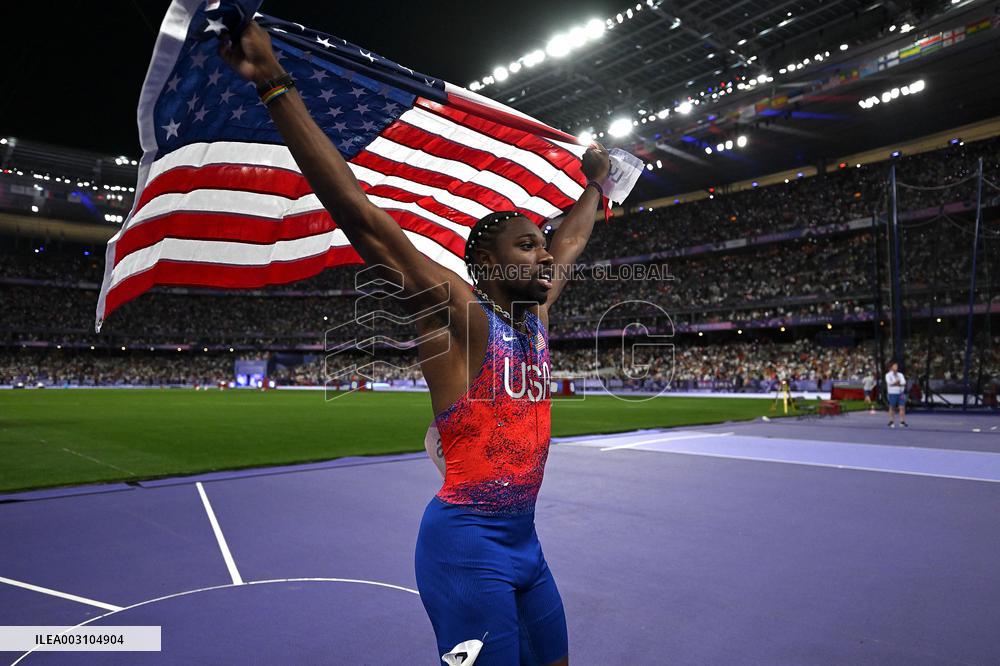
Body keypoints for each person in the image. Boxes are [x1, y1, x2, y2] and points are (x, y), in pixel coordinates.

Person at [221, 22, 610, 665]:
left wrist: (595, 184)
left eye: (542, 245)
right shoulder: (461, 315)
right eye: (526, 245)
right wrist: (272, 81)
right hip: (466, 545)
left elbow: (571, 240)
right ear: (484, 263)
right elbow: (364, 219)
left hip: (526, 545)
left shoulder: (533, 319)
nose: (546, 255)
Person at [885, 360, 908, 428]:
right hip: (892, 393)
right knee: (892, 407)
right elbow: (889, 383)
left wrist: (897, 383)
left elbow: (903, 383)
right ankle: (891, 421)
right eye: (895, 366)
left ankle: (902, 422)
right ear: (891, 367)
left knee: (902, 407)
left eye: (897, 366)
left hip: (901, 393)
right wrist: (896, 383)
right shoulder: (888, 375)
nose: (896, 367)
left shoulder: (900, 374)